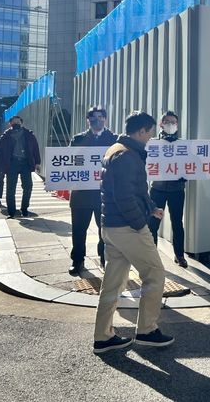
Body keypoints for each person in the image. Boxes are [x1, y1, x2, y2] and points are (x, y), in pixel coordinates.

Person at [93, 111, 174, 354]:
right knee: (155, 274)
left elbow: (134, 190)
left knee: (113, 283)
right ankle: (147, 330)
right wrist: (140, 223)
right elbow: (126, 196)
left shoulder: (115, 149)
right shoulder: (127, 156)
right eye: (150, 133)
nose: (150, 137)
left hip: (112, 227)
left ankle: (102, 336)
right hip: (128, 229)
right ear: (141, 131)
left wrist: (150, 208)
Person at [68, 106, 117, 276]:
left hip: (104, 193)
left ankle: (104, 258)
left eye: (100, 116)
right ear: (87, 120)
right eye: (93, 117)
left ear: (105, 119)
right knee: (79, 229)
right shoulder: (77, 139)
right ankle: (77, 260)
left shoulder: (114, 139)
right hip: (81, 192)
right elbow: (69, 162)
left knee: (105, 229)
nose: (97, 120)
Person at [147, 111, 188, 268]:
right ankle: (152, 257)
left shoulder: (183, 145)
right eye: (168, 122)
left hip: (177, 189)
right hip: (157, 188)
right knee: (153, 223)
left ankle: (179, 255)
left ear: (177, 125)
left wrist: (185, 175)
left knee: (177, 223)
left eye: (174, 122)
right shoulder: (152, 144)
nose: (171, 125)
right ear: (161, 124)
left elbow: (193, 165)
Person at [0, 115, 41, 218]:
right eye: (14, 122)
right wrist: (3, 165)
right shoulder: (5, 136)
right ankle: (11, 212)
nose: (16, 123)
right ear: (10, 124)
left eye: (18, 121)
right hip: (12, 163)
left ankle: (24, 209)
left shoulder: (29, 135)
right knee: (10, 189)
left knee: (28, 187)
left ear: (22, 123)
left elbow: (35, 149)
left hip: (25, 163)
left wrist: (37, 162)